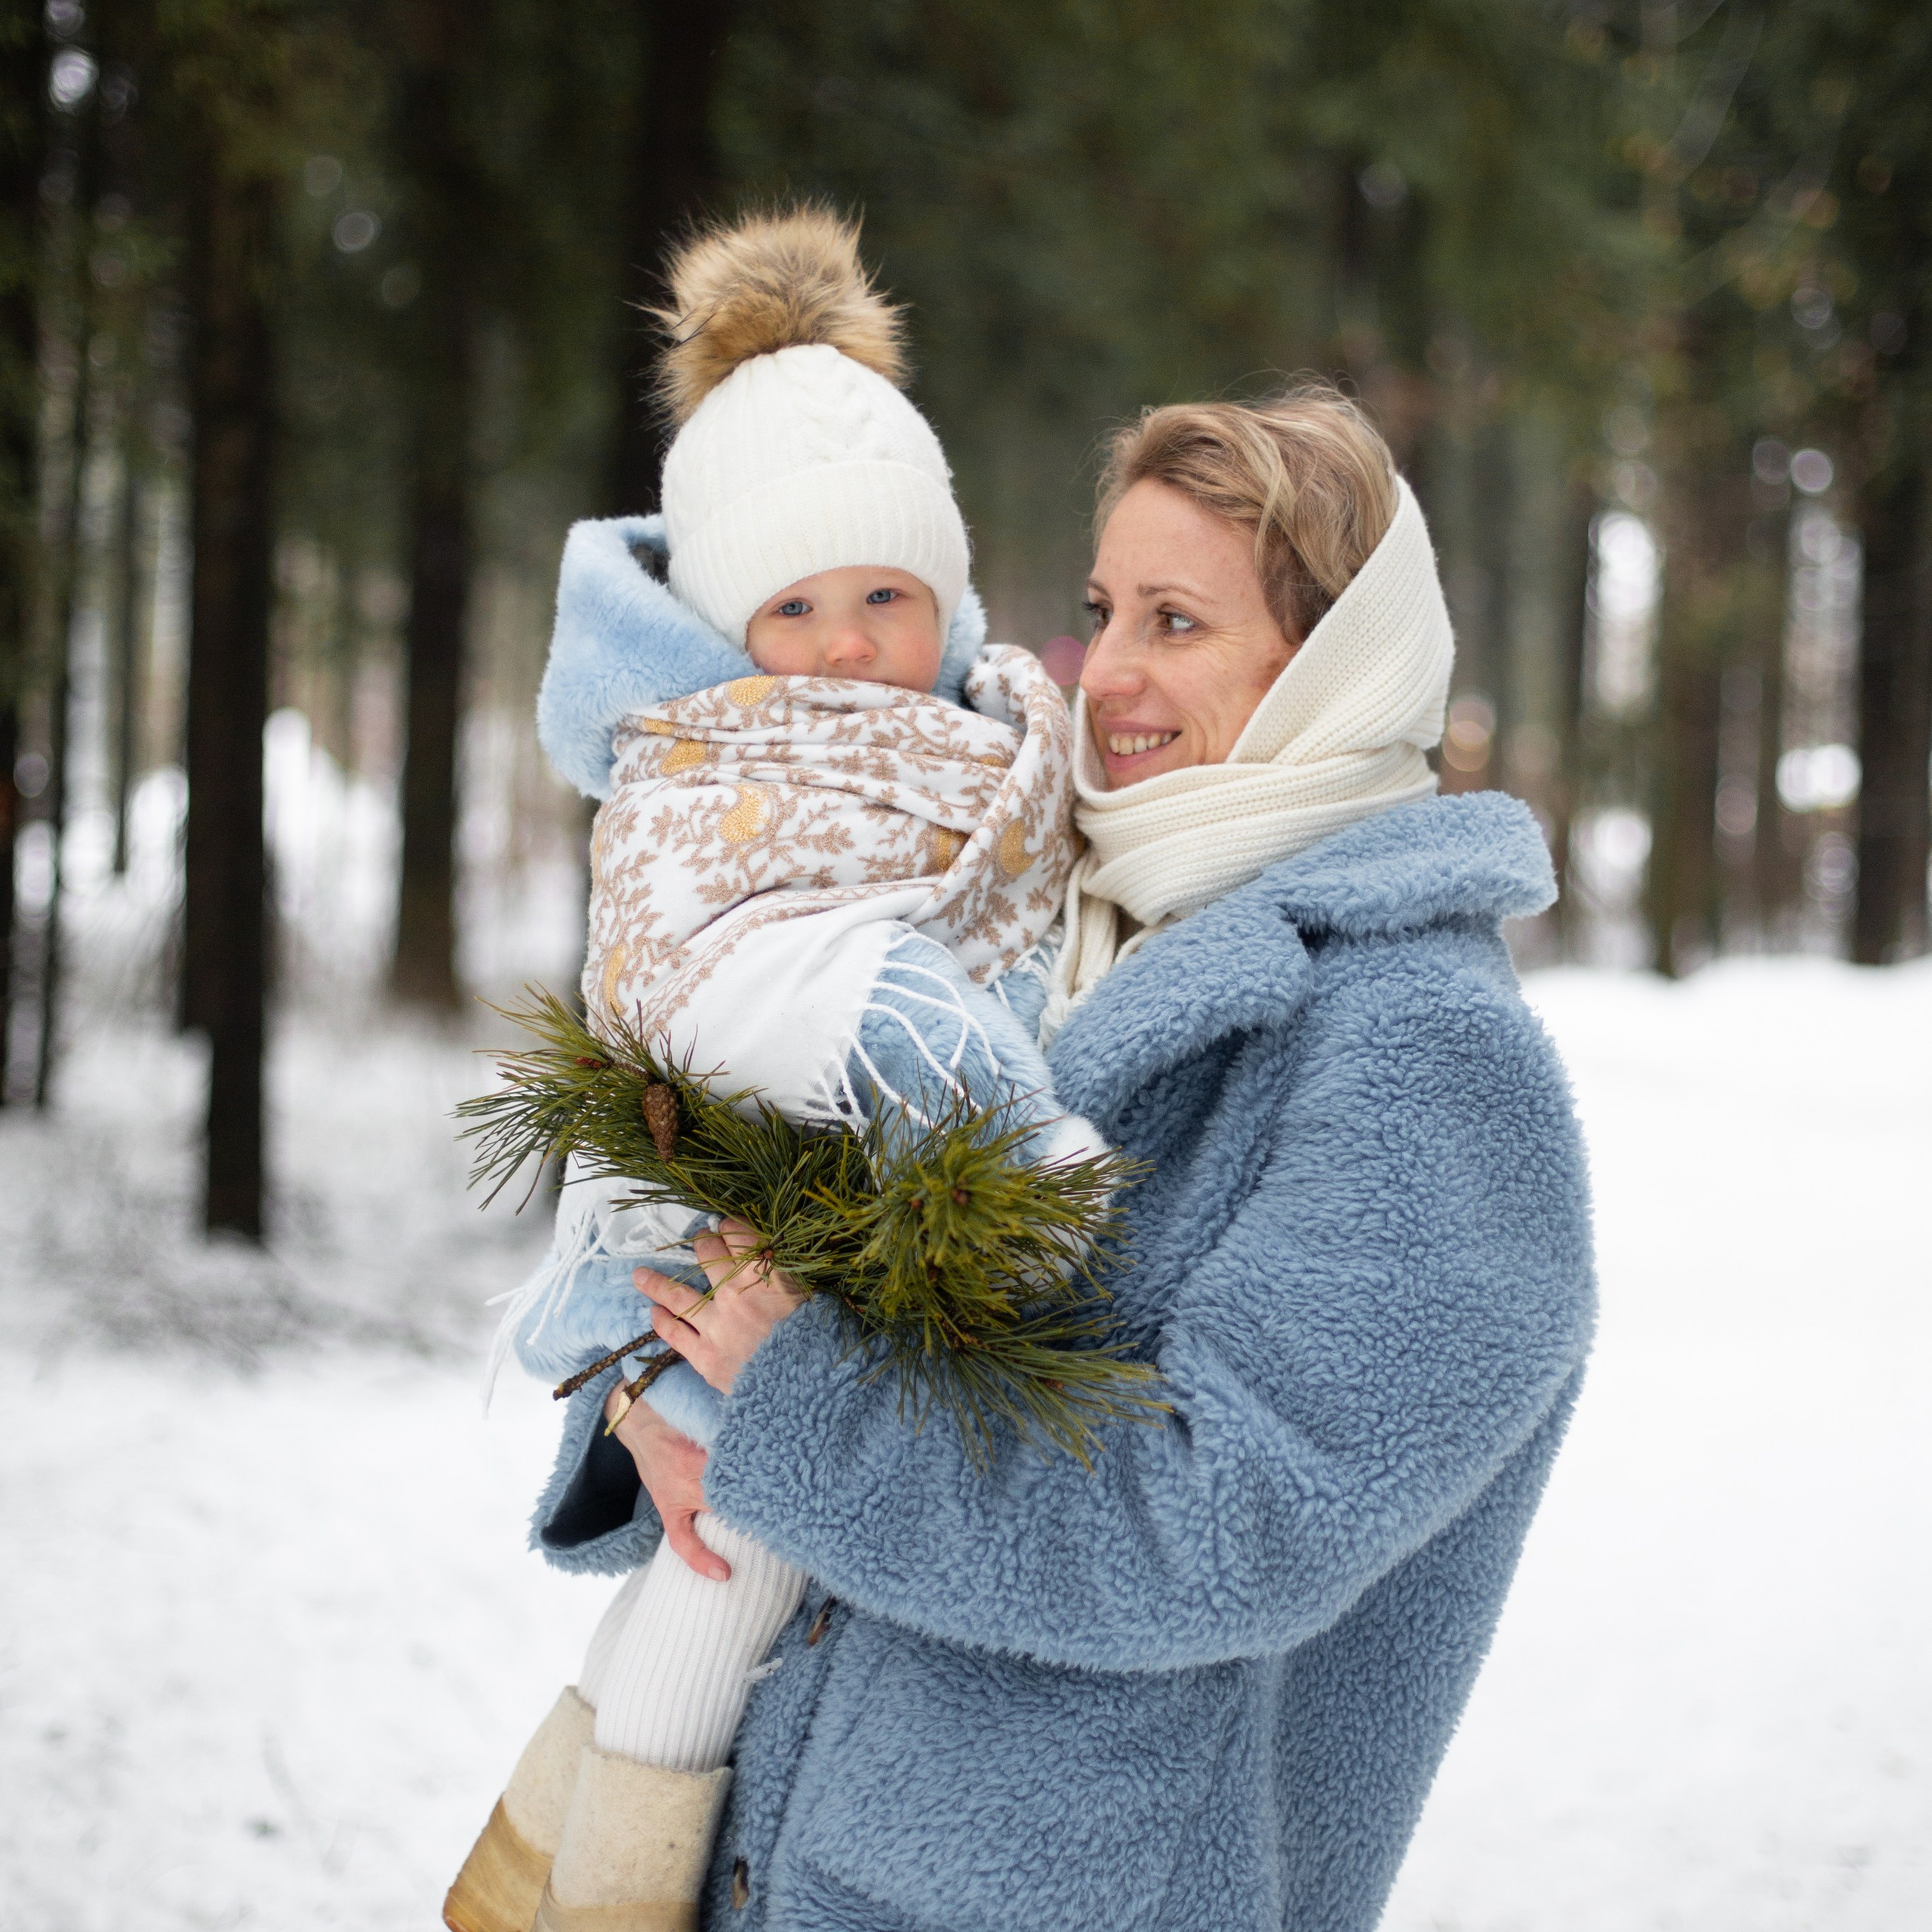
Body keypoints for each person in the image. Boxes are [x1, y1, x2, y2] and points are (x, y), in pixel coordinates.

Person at [528, 383, 1595, 1931]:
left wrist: (808, 1413)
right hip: (795, 1857)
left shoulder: (1421, 1050)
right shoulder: (1053, 914)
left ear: (1335, 658)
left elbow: (1218, 1526)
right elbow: (747, 1212)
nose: (1111, 676)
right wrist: (660, 1388)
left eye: (1178, 619)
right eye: (1104, 611)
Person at [444, 208, 1109, 1932]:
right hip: (742, 1265)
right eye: (791, 605)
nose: (839, 645)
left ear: (946, 600)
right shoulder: (714, 788)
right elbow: (718, 1003)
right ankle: (584, 1902)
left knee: (714, 1602)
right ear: (730, 630)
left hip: (877, 1290)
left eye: (885, 596)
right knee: (712, 1595)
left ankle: (526, 1871)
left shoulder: (999, 763)